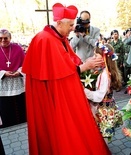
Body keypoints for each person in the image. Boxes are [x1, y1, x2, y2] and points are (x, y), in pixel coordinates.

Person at [22, 3, 111, 155]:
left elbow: (69, 63)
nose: (72, 28)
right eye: (70, 25)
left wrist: (88, 65)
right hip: (51, 98)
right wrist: (84, 67)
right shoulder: (45, 39)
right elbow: (57, 74)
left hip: (61, 92)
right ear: (59, 23)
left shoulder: (60, 38)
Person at [84, 43, 123, 144]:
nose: (93, 58)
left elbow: (98, 96)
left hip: (103, 111)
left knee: (102, 140)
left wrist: (84, 90)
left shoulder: (104, 75)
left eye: (96, 56)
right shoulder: (105, 71)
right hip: (107, 108)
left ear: (104, 58)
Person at [0, 29, 26, 128]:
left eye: (5, 38)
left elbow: (25, 64)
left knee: (20, 109)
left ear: (10, 38)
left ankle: (22, 127)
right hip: (3, 86)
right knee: (6, 110)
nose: (3, 41)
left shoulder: (17, 48)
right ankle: (9, 129)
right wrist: (3, 73)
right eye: (0, 38)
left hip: (17, 83)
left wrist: (19, 72)